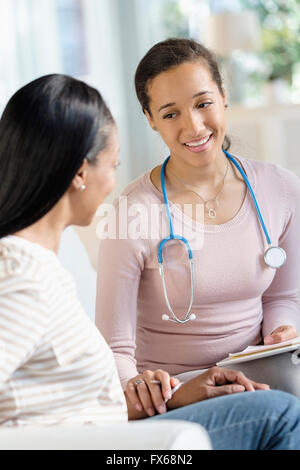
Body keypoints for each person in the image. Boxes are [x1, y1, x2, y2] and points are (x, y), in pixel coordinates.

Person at [1, 75, 300, 452]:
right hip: (103, 445)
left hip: (116, 426)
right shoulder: (20, 278)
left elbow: (82, 405)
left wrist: (174, 395)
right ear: (80, 173)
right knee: (279, 414)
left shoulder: (41, 269)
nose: (114, 182)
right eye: (113, 164)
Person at [95, 38, 300, 417]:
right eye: (170, 113)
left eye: (203, 103)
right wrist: (143, 394)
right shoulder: (131, 211)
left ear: (224, 97)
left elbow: (281, 298)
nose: (193, 125)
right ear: (150, 118)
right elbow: (115, 350)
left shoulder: (282, 189)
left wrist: (282, 331)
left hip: (263, 381)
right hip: (180, 397)